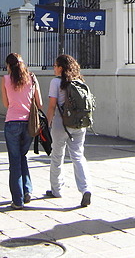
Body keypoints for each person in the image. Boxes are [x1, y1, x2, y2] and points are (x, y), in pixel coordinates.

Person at [46, 54, 92, 208]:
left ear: (61, 68)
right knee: (78, 155)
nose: (53, 68)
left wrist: (47, 122)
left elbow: (52, 105)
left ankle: (56, 190)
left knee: (57, 156)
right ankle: (86, 188)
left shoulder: (56, 82)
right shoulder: (79, 81)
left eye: (55, 65)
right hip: (79, 124)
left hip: (61, 124)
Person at [1, 53, 43, 209]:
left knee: (14, 161)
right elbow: (40, 103)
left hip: (12, 122)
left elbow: (6, 103)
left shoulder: (5, 80)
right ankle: (27, 190)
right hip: (29, 124)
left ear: (8, 65)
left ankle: (17, 200)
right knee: (22, 155)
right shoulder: (31, 78)